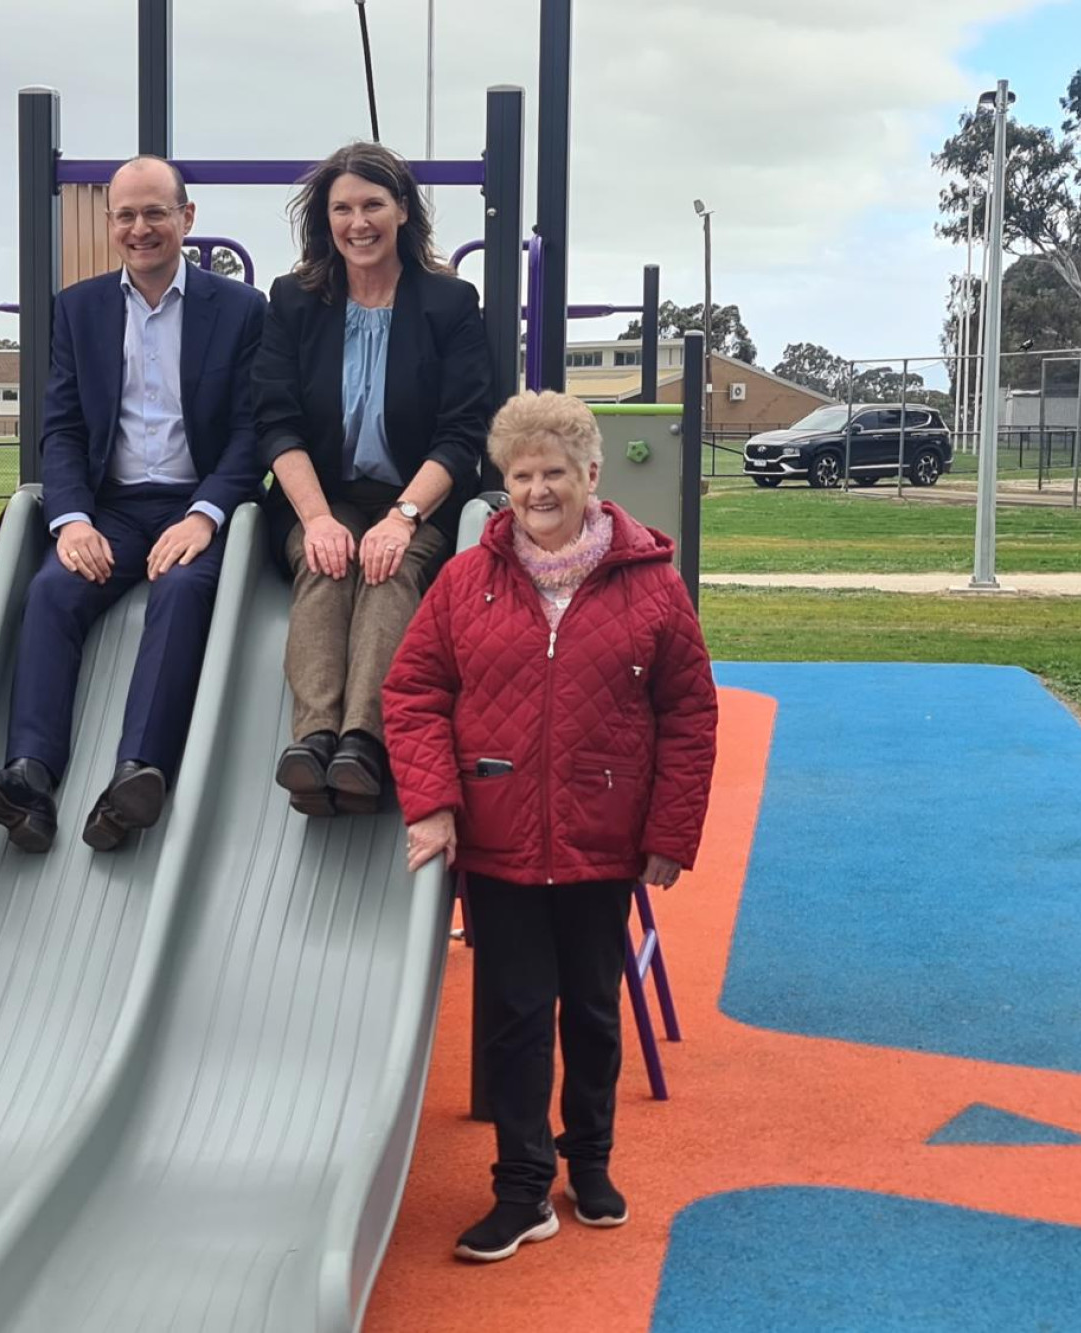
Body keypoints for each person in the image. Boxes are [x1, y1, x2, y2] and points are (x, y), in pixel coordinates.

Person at [382, 390, 719, 1262]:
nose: (537, 490)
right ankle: (522, 1187)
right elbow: (413, 693)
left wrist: (670, 831)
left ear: (593, 477)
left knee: (594, 1012)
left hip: (601, 837)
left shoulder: (651, 584)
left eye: (555, 473)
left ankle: (591, 1159)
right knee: (515, 1015)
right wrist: (434, 800)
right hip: (500, 841)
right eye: (522, 475)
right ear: (504, 485)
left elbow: (688, 712)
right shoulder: (467, 582)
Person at [0, 156, 266, 852]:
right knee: (53, 589)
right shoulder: (79, 309)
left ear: (187, 219)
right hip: (112, 505)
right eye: (126, 214)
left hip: (197, 499)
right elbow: (61, 429)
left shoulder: (240, 310)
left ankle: (135, 774)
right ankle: (31, 779)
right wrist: (73, 518)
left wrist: (205, 516)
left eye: (156, 212)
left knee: (180, 593)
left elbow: (251, 433)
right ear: (110, 222)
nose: (140, 228)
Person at [253, 141, 492, 817]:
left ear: (402, 211)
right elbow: (277, 422)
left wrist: (404, 517)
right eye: (342, 208)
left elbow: (462, 430)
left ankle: (363, 742)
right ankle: (314, 740)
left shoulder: (447, 304)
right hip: (320, 497)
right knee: (325, 566)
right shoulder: (295, 302)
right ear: (324, 219)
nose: (358, 222)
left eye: (372, 205)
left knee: (390, 569)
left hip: (414, 496)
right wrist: (317, 519)